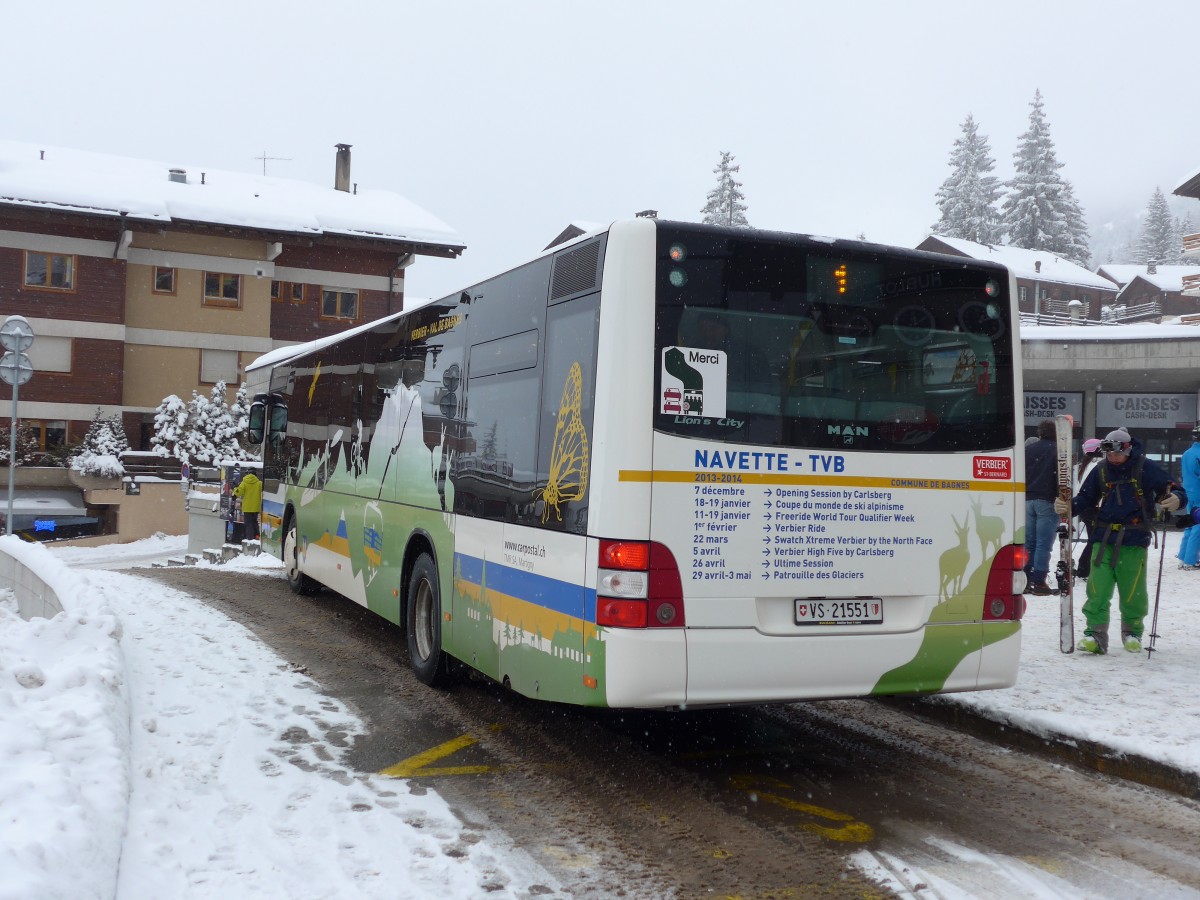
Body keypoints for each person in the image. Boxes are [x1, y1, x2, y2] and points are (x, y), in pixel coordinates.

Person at [1055, 428, 1184, 654]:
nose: (1112, 458)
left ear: (1127, 449)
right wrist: (1069, 506)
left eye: (1116, 453)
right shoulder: (1102, 470)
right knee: (1097, 589)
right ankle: (1095, 635)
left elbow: (1171, 488)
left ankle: (1132, 632)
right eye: (1108, 453)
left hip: (1134, 538)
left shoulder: (1144, 467)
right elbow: (1086, 497)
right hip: (1103, 537)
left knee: (1133, 590)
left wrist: (1176, 499)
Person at [1023, 419, 1059, 595]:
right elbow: (1062, 477)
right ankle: (1039, 581)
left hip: (1027, 499)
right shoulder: (1058, 450)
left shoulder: (1028, 450)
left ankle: (1024, 579)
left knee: (1029, 542)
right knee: (1044, 543)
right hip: (1047, 500)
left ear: (1040, 433)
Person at [1073, 438, 1103, 581]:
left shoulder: (1083, 465)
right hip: (1094, 506)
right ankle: (1084, 568)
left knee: (1094, 537)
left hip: (1085, 506)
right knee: (1095, 538)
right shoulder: (1097, 464)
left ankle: (1085, 567)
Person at [1178, 425, 1200, 569]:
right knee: (1198, 527)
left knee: (1190, 525)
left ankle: (1182, 558)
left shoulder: (1187, 453)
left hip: (1189, 493)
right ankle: (1191, 561)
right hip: (1199, 493)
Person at [233, 470, 263, 541]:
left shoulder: (244, 483)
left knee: (248, 524)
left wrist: (234, 488)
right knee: (255, 522)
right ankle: (257, 536)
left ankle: (250, 539)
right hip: (256, 507)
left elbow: (239, 492)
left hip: (247, 507)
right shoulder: (259, 483)